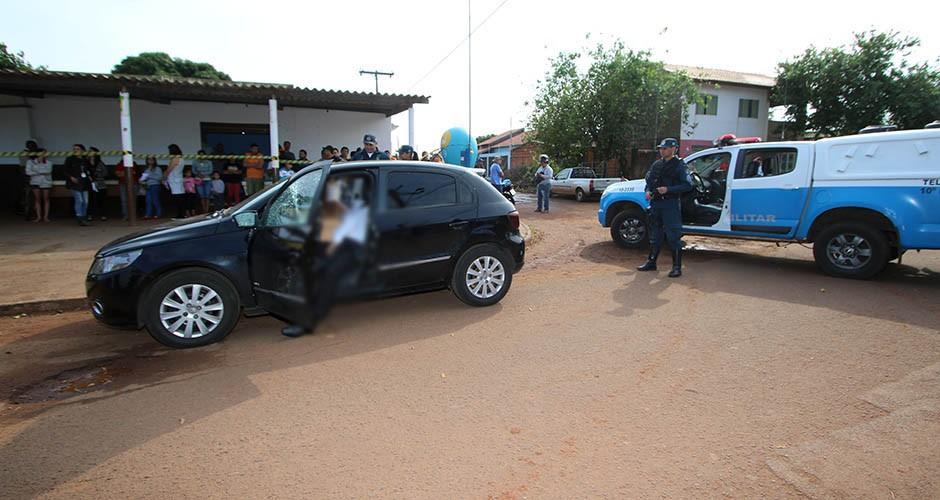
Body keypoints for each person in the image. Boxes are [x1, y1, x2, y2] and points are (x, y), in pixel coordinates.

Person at [282, 176, 371, 338]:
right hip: (329, 247)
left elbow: (350, 232)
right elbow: (324, 232)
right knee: (306, 270)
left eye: (335, 189)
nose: (332, 192)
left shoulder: (358, 207)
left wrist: (329, 249)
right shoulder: (327, 207)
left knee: (326, 276)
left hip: (351, 250)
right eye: (330, 189)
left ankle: (308, 321)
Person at [636, 138, 692, 278]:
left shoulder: (680, 166)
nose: (662, 150)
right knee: (655, 235)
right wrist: (647, 191)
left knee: (673, 236)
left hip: (670, 204)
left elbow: (687, 185)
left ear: (674, 149)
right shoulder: (657, 164)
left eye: (665, 148)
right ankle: (651, 262)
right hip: (656, 204)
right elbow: (649, 181)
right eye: (661, 148)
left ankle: (677, 267)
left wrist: (668, 189)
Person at [64, 144, 91, 225]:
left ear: (82, 150)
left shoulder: (85, 160)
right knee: (79, 200)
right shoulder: (69, 159)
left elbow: (88, 170)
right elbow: (65, 170)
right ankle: (79, 217)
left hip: (84, 183)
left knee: (85, 201)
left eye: (78, 149)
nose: (76, 150)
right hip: (74, 183)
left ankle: (84, 216)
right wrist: (71, 177)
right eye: (74, 149)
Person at [25, 149, 53, 222]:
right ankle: (38, 217)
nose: (43, 155)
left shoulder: (49, 162)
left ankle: (46, 217)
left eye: (45, 153)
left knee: (46, 199)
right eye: (42, 153)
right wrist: (40, 171)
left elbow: (48, 171)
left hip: (46, 182)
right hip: (35, 182)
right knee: (37, 199)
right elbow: (28, 172)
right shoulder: (30, 162)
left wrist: (36, 171)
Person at [19, 139, 40, 220]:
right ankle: (27, 214)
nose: (33, 147)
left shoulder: (35, 154)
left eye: (34, 145)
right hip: (27, 177)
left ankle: (34, 213)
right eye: (31, 145)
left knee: (34, 196)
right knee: (28, 196)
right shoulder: (23, 154)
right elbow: (24, 167)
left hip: (35, 177)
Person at [165, 144, 187, 219]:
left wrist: (163, 177)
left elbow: (169, 170)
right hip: (179, 179)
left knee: (177, 198)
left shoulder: (174, 159)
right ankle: (182, 214)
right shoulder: (182, 159)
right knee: (181, 198)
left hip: (174, 180)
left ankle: (180, 215)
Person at [87, 147, 109, 221]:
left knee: (101, 200)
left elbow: (105, 173)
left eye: (91, 151)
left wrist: (98, 176)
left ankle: (103, 215)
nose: (90, 153)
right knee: (90, 200)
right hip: (89, 184)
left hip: (100, 184)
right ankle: (90, 215)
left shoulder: (100, 163)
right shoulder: (85, 162)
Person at [115, 156, 139, 221]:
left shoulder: (134, 164)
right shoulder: (119, 165)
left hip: (133, 183)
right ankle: (126, 215)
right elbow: (118, 174)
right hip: (123, 184)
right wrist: (127, 172)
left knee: (133, 200)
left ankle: (133, 215)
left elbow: (134, 173)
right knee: (124, 200)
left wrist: (123, 173)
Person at [193, 149, 214, 213]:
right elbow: (193, 170)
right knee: (201, 195)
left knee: (207, 195)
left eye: (203, 155)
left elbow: (210, 171)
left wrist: (203, 174)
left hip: (207, 180)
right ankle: (203, 209)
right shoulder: (195, 162)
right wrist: (198, 174)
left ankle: (207, 210)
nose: (201, 156)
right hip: (198, 180)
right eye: (200, 155)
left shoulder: (209, 162)